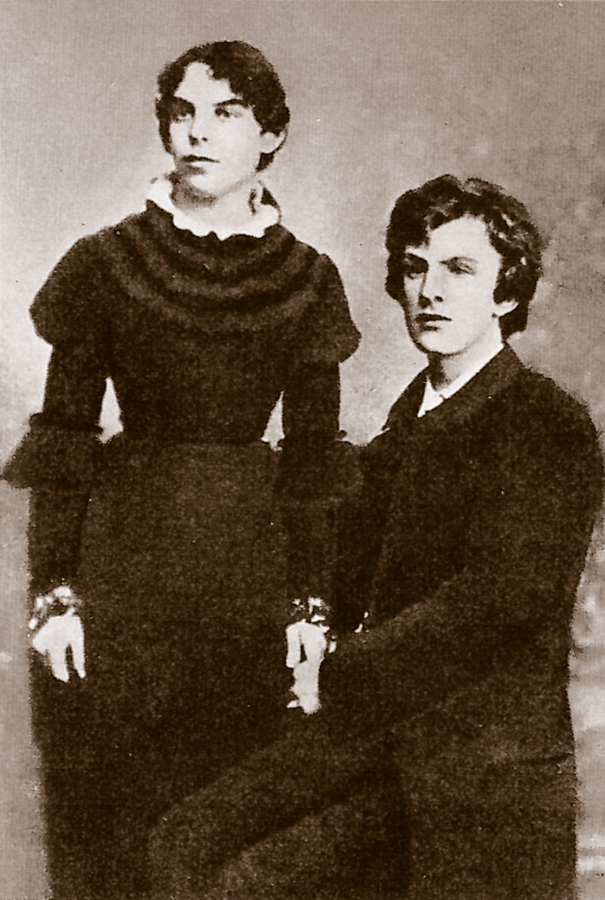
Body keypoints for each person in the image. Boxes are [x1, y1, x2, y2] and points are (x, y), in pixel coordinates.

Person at [148, 175, 605, 900]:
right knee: (182, 840)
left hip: (475, 777)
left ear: (506, 294)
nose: (431, 291)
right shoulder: (400, 433)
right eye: (416, 268)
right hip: (378, 742)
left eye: (460, 269)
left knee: (242, 881)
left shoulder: (545, 424)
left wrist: (335, 676)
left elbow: (496, 603)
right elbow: (330, 567)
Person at [2, 41, 359, 900]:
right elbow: (64, 438)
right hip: (121, 570)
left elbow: (314, 459)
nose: (198, 133)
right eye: (183, 113)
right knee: (109, 830)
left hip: (248, 578)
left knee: (219, 835)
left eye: (226, 114)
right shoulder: (102, 263)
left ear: (270, 135)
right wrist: (54, 595)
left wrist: (312, 605)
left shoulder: (309, 280)